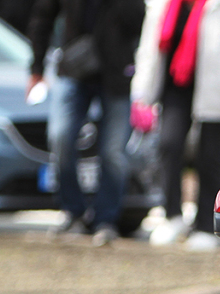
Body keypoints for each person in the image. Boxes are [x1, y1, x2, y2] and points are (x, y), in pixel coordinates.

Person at [131, 0, 220, 250]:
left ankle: (206, 225)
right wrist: (141, 90)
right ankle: (172, 216)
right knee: (168, 146)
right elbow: (149, 47)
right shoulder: (164, 4)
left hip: (217, 91)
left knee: (210, 157)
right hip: (175, 87)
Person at [27, 0, 147, 247]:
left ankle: (106, 220)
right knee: (60, 137)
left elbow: (137, 20)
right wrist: (37, 67)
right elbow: (43, 16)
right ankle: (74, 213)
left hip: (115, 74)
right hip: (74, 68)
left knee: (113, 152)